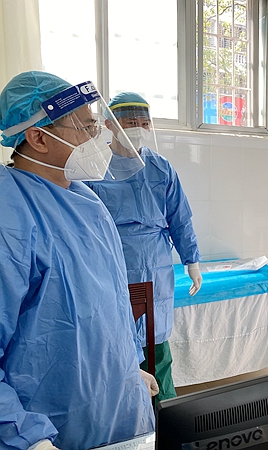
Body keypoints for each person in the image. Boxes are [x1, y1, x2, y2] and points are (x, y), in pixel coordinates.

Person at [0, 71, 155, 449]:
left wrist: (128, 367)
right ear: (38, 138)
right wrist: (24, 434)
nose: (97, 138)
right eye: (85, 128)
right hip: (51, 422)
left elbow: (110, 302)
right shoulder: (10, 213)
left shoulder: (87, 200)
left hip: (118, 404)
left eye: (95, 125)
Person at [85, 92, 202, 401]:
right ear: (110, 125)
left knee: (156, 347)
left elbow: (180, 218)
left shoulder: (160, 167)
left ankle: (166, 415)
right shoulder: (95, 168)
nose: (138, 128)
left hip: (157, 267)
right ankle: (128, 416)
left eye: (144, 123)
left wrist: (192, 261)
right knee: (117, 347)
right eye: (130, 123)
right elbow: (85, 226)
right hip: (115, 265)